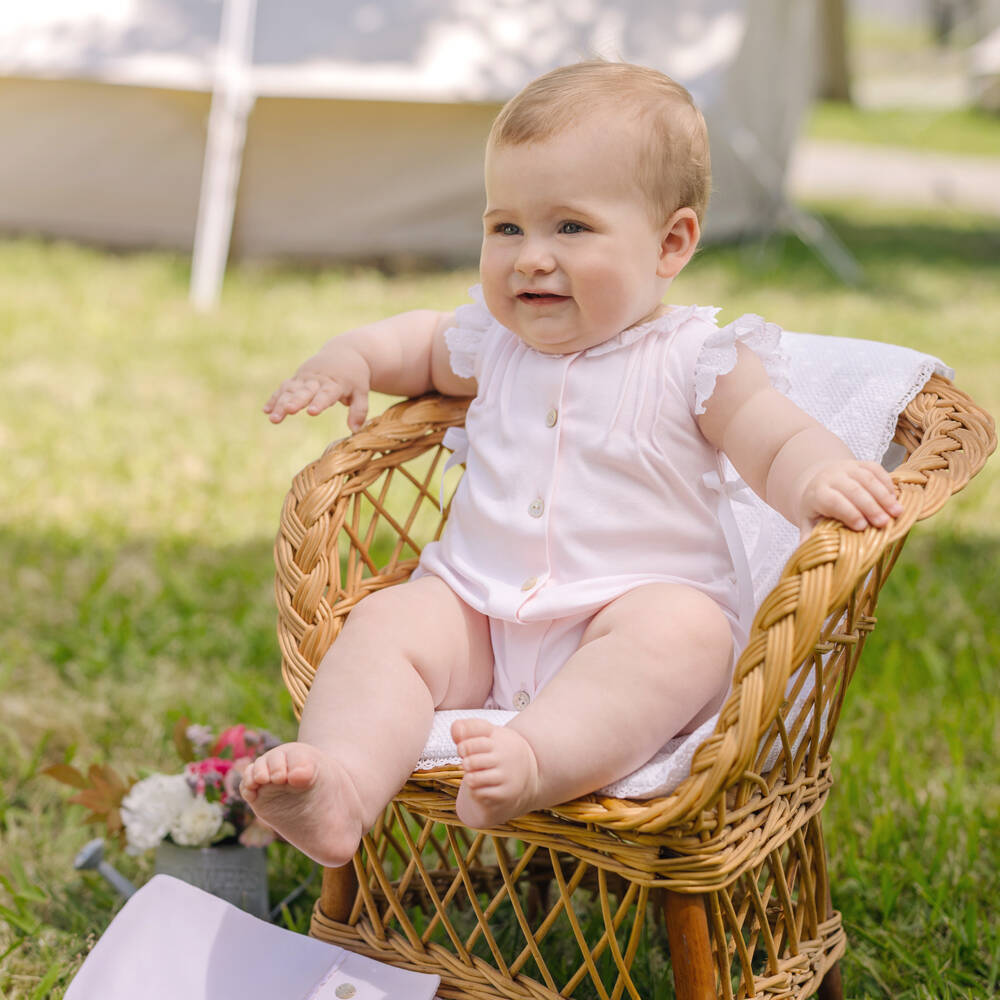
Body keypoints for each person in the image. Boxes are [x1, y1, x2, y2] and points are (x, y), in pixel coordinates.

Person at [241, 60, 902, 867]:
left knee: (683, 632)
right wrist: (346, 360)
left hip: (622, 617)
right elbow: (413, 342)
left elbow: (775, 436)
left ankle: (536, 759)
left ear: (670, 243)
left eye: (571, 229)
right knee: (388, 624)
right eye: (506, 227)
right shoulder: (495, 344)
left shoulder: (697, 357)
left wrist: (816, 476)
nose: (530, 258)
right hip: (479, 613)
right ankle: (342, 784)